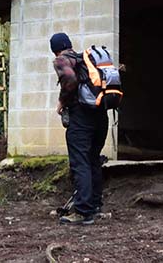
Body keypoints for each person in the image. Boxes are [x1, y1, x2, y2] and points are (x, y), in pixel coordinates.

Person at [51, 32, 112, 226]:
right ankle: (94, 205)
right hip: (101, 115)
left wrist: (61, 102)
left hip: (81, 118)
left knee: (80, 162)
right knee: (93, 159)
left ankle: (83, 212)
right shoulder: (85, 60)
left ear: (55, 50)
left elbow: (69, 79)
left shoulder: (62, 60)